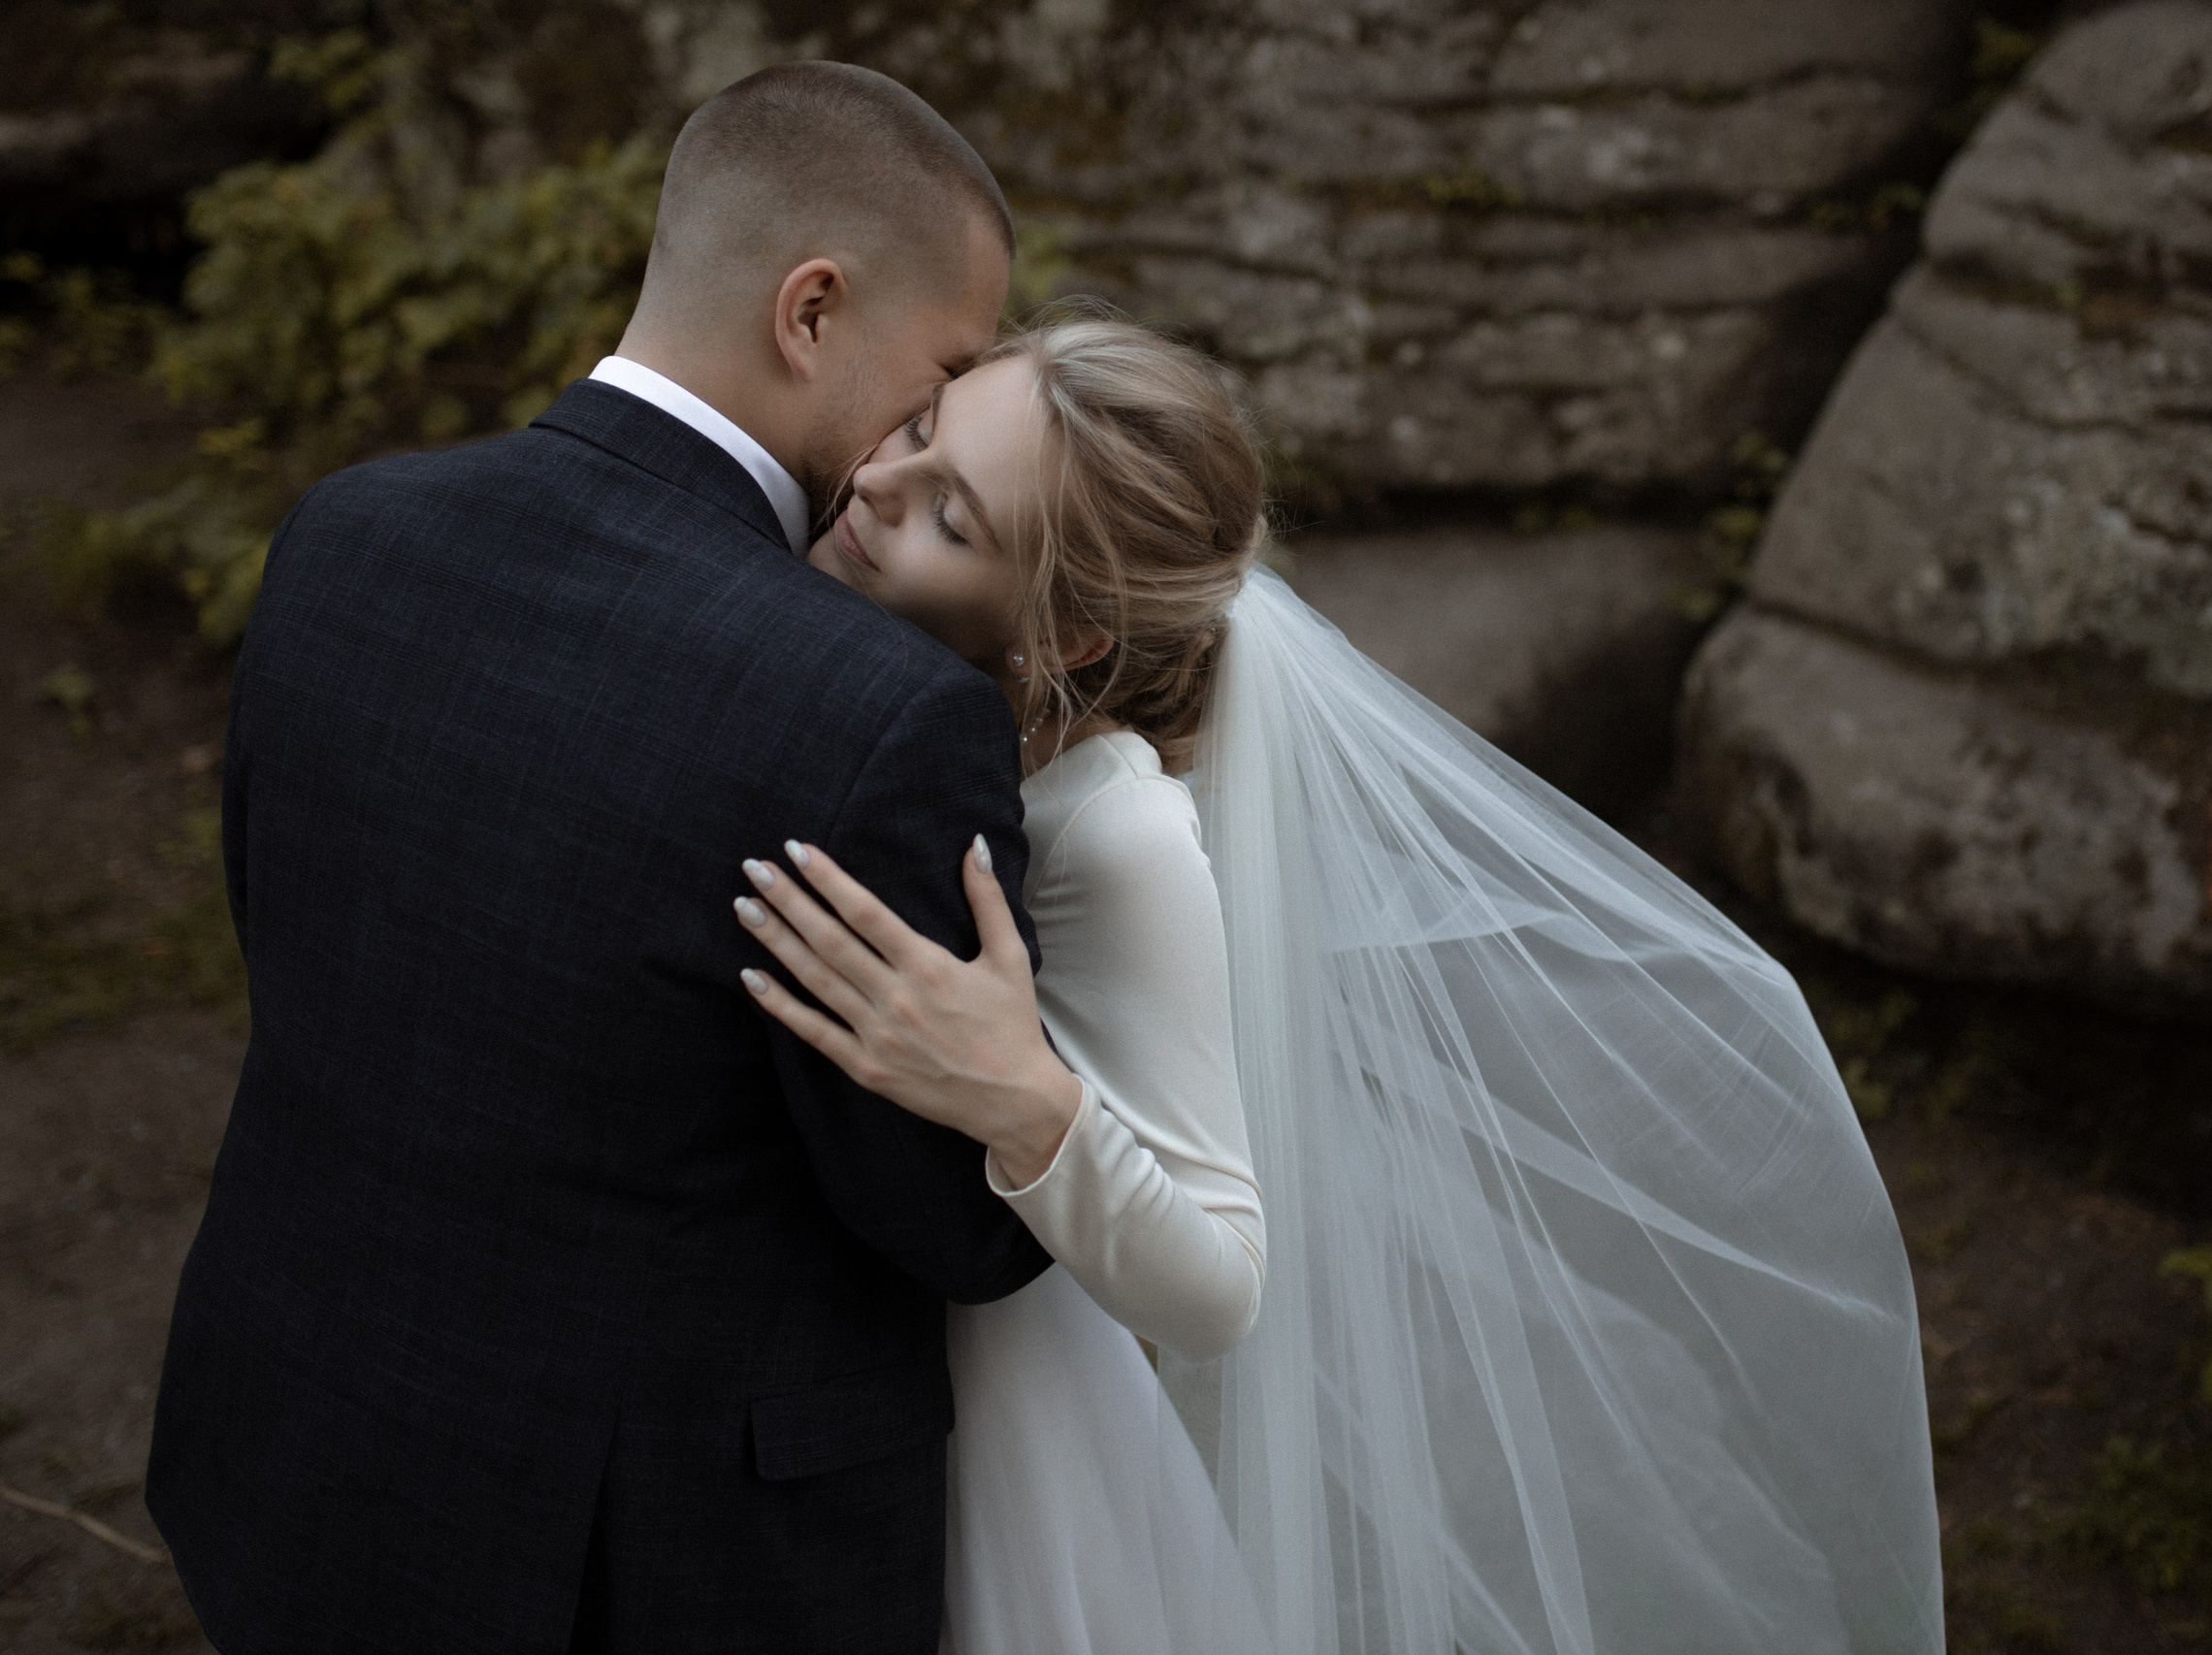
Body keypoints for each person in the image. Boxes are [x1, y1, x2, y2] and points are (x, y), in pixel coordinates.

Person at [734, 314, 1949, 1653]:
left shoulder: (1112, 830)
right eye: (919, 431)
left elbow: (1218, 1280)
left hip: (996, 1410)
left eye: (951, 518)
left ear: (1073, 638)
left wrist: (1022, 1092)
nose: (878, 485)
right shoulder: (907, 662)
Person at [145, 64, 1056, 1654]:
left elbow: (291, 938)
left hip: (287, 1451)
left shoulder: (341, 535)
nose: (933, 430)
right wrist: (1040, 1099)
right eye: (940, 376)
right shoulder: (878, 715)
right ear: (812, 311)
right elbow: (955, 1224)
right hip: (629, 1569)